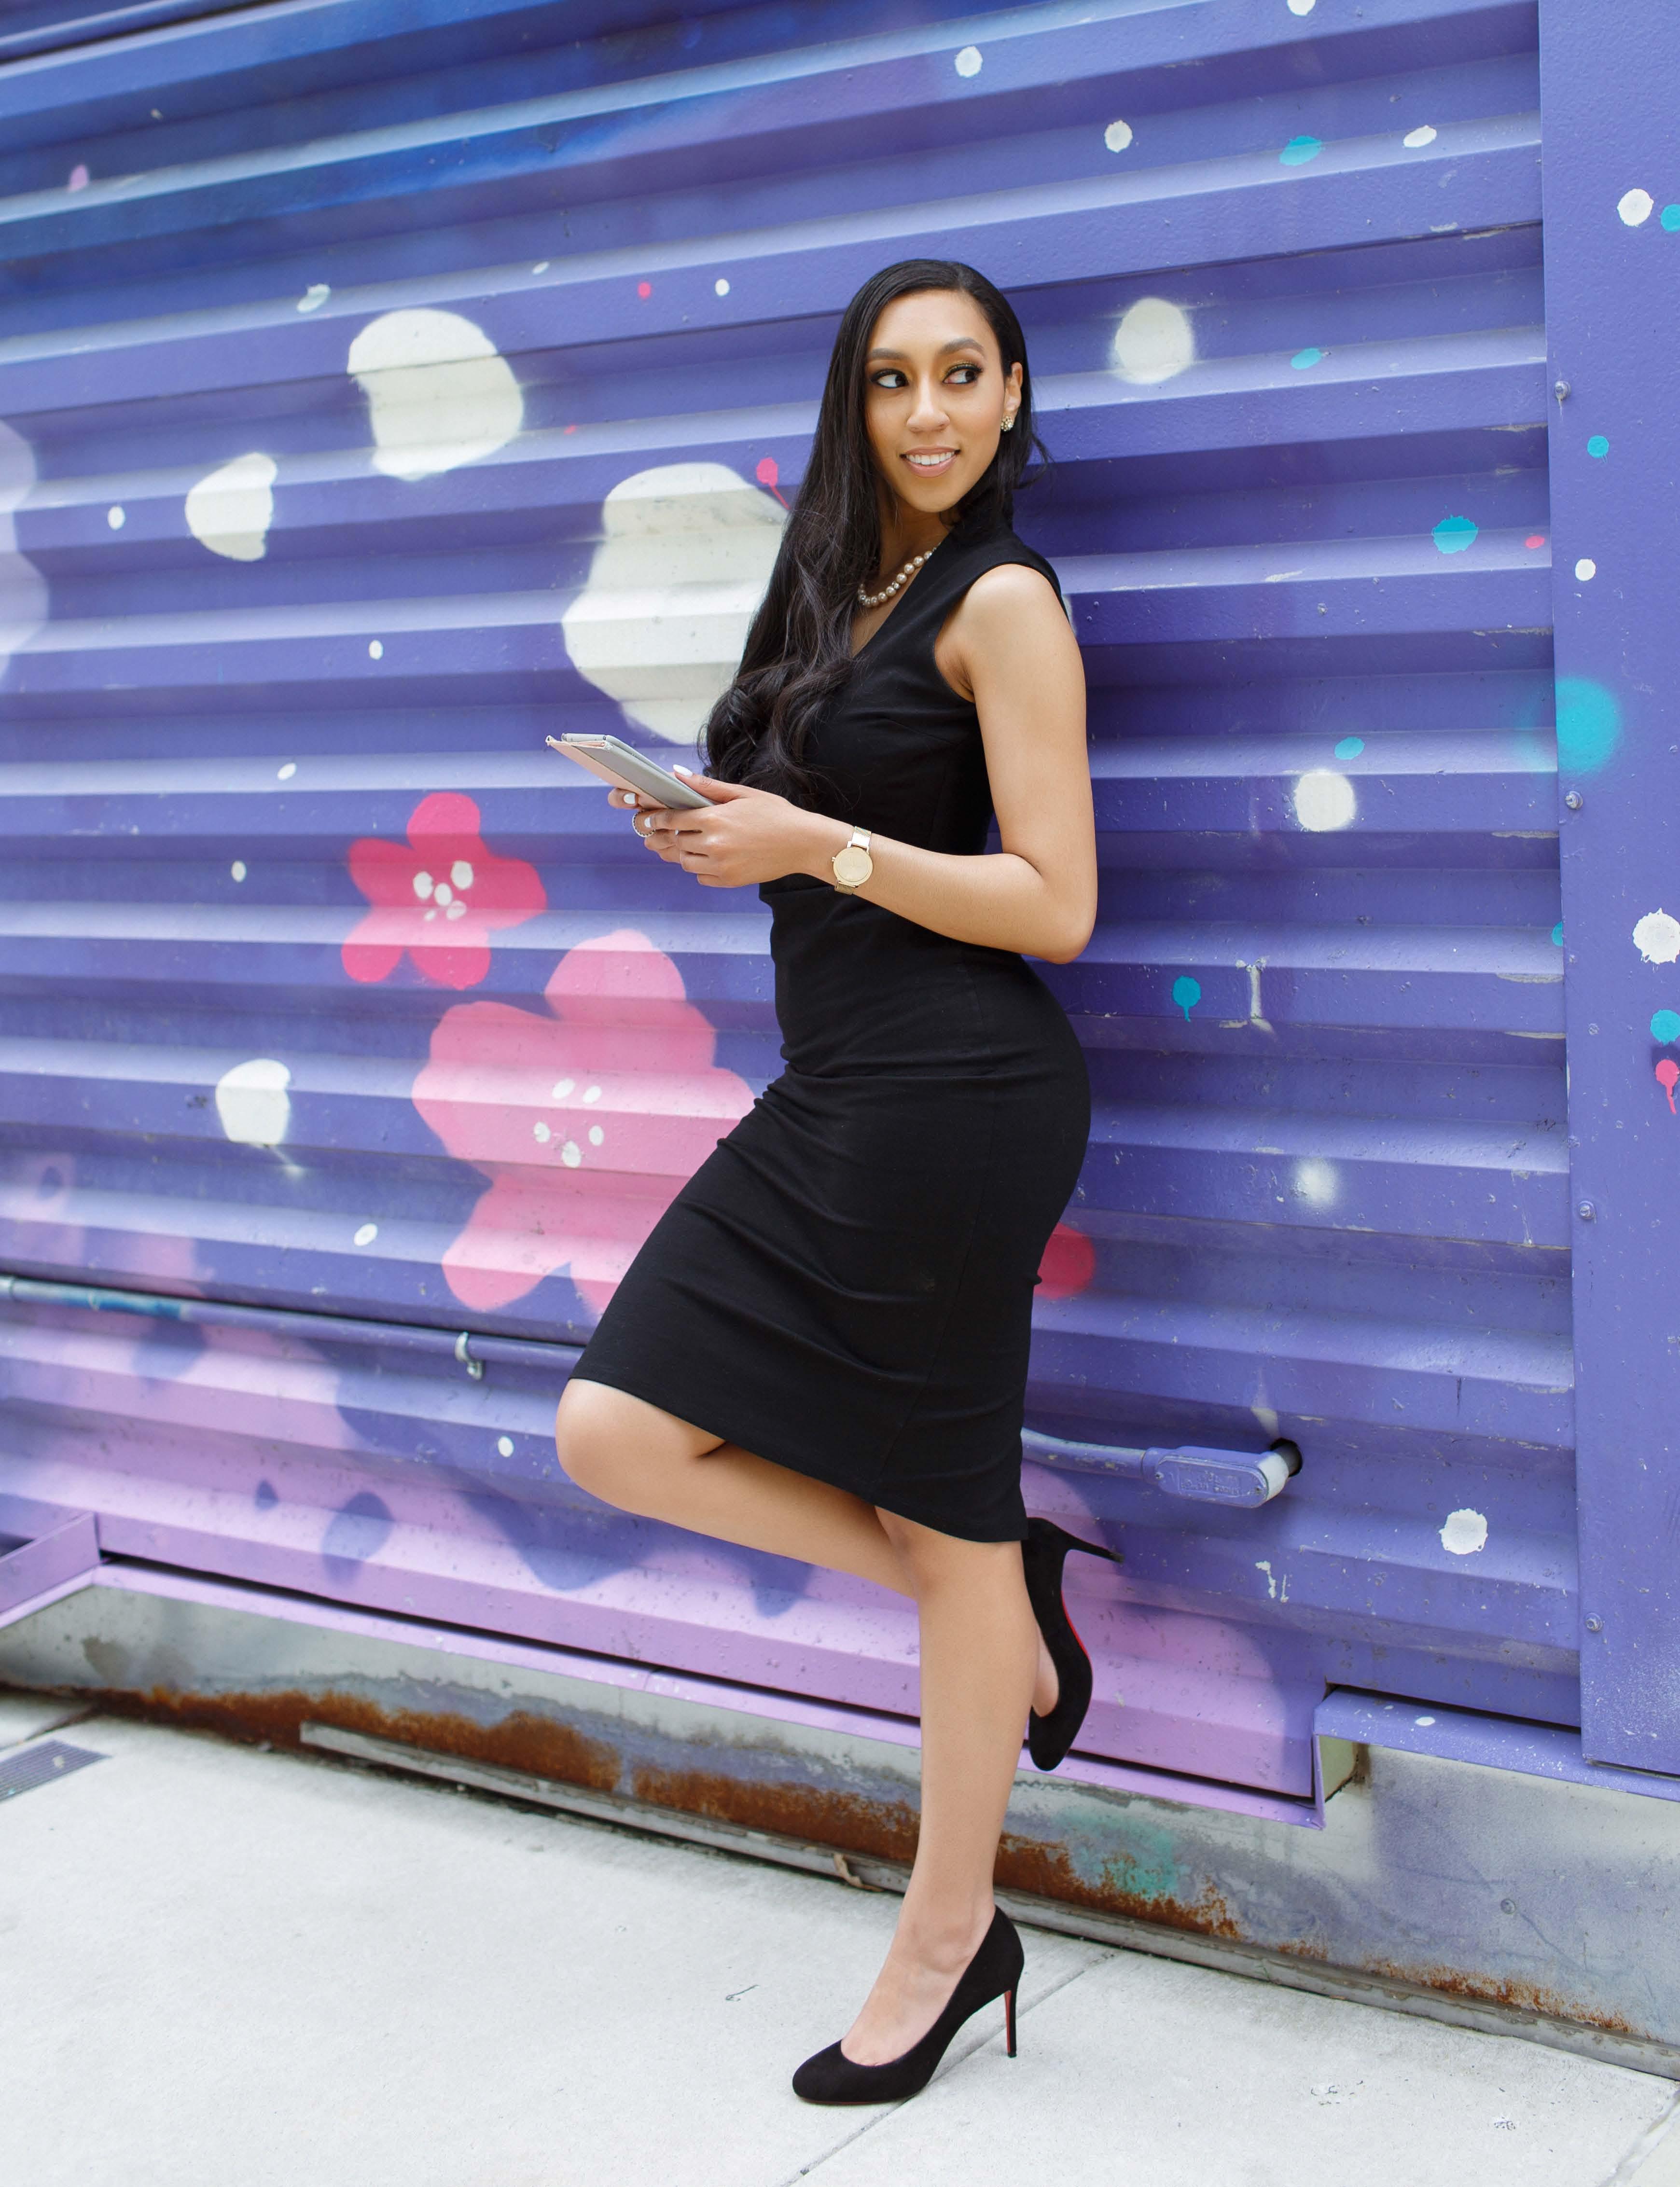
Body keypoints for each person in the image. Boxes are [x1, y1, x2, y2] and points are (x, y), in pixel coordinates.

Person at [555, 259, 1113, 2106]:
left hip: (960, 1102)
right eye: (892, 379)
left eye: (961, 374)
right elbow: (804, 832)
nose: (927, 412)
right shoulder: (835, 588)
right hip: (836, 1093)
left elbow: (1055, 900)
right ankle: (998, 1602)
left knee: (947, 1531)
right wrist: (717, 827)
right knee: (615, 1429)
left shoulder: (1003, 599)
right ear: (852, 403)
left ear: (1012, 394)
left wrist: (822, 845)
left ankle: (950, 1938)